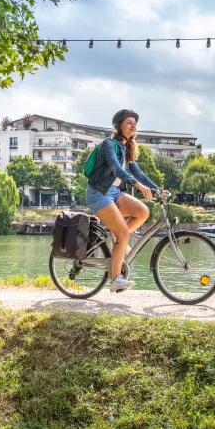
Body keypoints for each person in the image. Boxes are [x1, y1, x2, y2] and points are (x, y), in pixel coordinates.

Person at [86, 109, 160, 293]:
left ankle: (120, 239)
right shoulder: (108, 144)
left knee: (143, 212)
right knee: (123, 234)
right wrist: (136, 185)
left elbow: (137, 172)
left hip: (114, 192)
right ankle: (115, 279)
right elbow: (116, 168)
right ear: (118, 125)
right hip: (98, 193)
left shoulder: (126, 147)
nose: (133, 125)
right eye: (129, 122)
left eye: (135, 123)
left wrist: (157, 189)